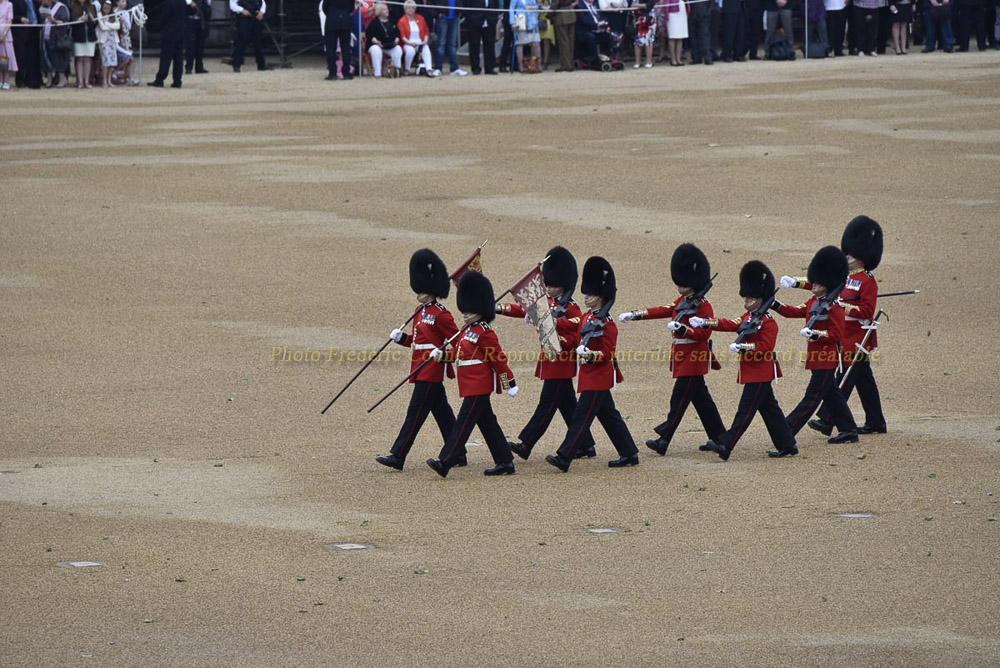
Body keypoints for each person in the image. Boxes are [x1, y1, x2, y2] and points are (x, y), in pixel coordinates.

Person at [618, 244, 726, 456]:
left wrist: (684, 330)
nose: (680, 286)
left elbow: (704, 334)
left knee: (679, 399)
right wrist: (635, 314)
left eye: (684, 283)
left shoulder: (703, 306)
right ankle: (720, 437)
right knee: (702, 401)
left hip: (694, 358)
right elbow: (662, 310)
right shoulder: (682, 301)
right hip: (683, 357)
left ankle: (664, 439)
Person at [689, 261, 798, 461]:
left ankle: (726, 444)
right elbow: (730, 324)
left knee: (745, 412)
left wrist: (744, 347)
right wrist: (706, 322)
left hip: (760, 372)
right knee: (770, 410)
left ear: (760, 298)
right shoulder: (748, 317)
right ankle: (787, 444)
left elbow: (765, 347)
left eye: (750, 297)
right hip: (752, 371)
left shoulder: (768, 322)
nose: (746, 300)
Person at [499, 247, 596, 461]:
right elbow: (523, 309)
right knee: (568, 406)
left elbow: (576, 333)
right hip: (550, 362)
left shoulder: (571, 308)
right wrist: (499, 308)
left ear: (564, 285)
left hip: (561, 363)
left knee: (546, 407)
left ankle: (526, 444)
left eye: (553, 285)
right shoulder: (548, 302)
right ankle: (586, 444)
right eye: (547, 284)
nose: (549, 288)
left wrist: (551, 324)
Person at [545, 257, 639, 473]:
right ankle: (629, 452)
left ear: (601, 296)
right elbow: (574, 339)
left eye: (590, 294)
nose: (586, 296)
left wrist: (589, 356)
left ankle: (564, 456)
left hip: (598, 376)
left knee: (580, 417)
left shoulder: (608, 324)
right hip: (588, 375)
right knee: (609, 416)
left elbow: (607, 354)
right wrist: (557, 338)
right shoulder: (587, 317)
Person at [426, 272, 519, 478]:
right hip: (468, 383)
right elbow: (459, 354)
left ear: (480, 310)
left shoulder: (485, 332)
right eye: (465, 310)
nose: (465, 314)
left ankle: (445, 461)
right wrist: (442, 356)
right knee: (488, 423)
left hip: (479, 384)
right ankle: (505, 461)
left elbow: (498, 359)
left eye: (470, 311)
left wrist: (509, 382)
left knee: (463, 424)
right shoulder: (466, 330)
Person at [376, 249, 461, 472]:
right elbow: (417, 343)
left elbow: (459, 342)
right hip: (419, 367)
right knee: (442, 412)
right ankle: (458, 451)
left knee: (414, 413)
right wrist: (401, 338)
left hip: (431, 369)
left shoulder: (442, 314)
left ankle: (398, 455)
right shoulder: (419, 311)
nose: (419, 293)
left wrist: (443, 355)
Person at [803, 216, 888, 437]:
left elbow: (866, 312)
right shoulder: (844, 277)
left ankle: (827, 418)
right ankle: (876, 421)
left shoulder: (868, 281)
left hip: (858, 338)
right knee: (864, 380)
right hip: (843, 335)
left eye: (851, 254)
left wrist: (842, 307)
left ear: (863, 257)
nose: (847, 256)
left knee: (845, 376)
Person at [773, 247, 859, 445]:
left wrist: (815, 334)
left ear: (827, 285)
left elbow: (836, 334)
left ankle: (787, 431)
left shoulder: (834, 307)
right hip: (816, 357)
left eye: (818, 283)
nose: (813, 285)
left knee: (811, 398)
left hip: (827, 358)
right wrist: (774, 304)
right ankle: (849, 430)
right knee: (832, 395)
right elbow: (793, 311)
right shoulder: (813, 301)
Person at [148, 0, 191, 87]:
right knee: (178, 58)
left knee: (166, 57)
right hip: (180, 32)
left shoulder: (169, 2)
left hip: (169, 32)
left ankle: (160, 79)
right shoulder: (183, 3)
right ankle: (177, 80)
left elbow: (164, 17)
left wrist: (163, 29)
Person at [397, 0, 435, 75]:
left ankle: (429, 69)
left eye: (412, 8)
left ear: (415, 9)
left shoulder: (420, 18)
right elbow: (402, 36)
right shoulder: (402, 21)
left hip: (420, 41)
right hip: (407, 42)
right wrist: (410, 43)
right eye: (408, 8)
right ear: (405, 10)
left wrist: (425, 40)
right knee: (410, 50)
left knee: (426, 49)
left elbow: (426, 31)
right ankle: (407, 69)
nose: (411, 10)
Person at [365, 2, 402, 76]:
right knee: (376, 50)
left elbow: (398, 32)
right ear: (380, 12)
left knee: (398, 49)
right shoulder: (374, 22)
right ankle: (377, 73)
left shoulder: (392, 21)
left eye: (387, 9)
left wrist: (397, 39)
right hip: (377, 45)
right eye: (385, 10)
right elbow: (369, 34)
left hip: (389, 45)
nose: (387, 11)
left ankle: (395, 71)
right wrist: (376, 41)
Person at [229, 0, 267, 72]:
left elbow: (262, 2)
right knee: (242, 41)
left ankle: (261, 64)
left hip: (256, 17)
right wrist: (242, 10)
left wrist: (262, 12)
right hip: (244, 18)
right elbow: (232, 5)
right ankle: (237, 65)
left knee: (258, 41)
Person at [463, 0, 498, 75]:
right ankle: (475, 68)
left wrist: (494, 19)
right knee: (474, 45)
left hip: (489, 21)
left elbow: (496, 6)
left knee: (490, 45)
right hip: (474, 22)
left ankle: (489, 68)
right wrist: (470, 19)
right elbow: (466, 6)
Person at [12, 0, 42, 88]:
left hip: (33, 32)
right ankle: (20, 79)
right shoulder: (14, 2)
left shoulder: (33, 2)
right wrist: (20, 19)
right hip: (20, 33)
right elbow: (11, 15)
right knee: (20, 57)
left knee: (32, 57)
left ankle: (31, 79)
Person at [322, 0, 354, 80]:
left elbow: (324, 7)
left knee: (330, 49)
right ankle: (346, 73)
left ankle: (332, 73)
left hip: (332, 20)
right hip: (345, 19)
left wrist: (331, 14)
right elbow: (351, 7)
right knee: (346, 48)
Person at [42, 0, 71, 87]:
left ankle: (62, 78)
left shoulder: (61, 7)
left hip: (57, 38)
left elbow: (65, 21)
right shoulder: (47, 7)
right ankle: (49, 79)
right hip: (46, 37)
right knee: (47, 59)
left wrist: (55, 21)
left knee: (58, 58)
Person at [433, 0, 465, 75]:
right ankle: (438, 68)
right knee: (441, 44)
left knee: (453, 44)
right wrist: (436, 14)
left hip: (455, 17)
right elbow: (430, 2)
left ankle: (454, 69)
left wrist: (460, 10)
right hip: (442, 18)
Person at [69, 0, 96, 87]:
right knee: (80, 58)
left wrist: (91, 18)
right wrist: (79, 19)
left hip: (89, 36)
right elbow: (71, 21)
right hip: (78, 36)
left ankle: (86, 81)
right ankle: (80, 81)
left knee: (88, 58)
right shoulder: (72, 7)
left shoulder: (92, 7)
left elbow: (95, 23)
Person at [510, 0, 541, 72]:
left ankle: (537, 64)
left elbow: (537, 6)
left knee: (536, 43)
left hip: (532, 21)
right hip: (520, 21)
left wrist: (532, 7)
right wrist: (512, 22)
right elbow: (511, 8)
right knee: (520, 44)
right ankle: (521, 66)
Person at [95, 0, 118, 87]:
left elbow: (118, 26)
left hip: (112, 41)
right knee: (105, 61)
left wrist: (107, 23)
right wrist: (111, 25)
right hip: (104, 41)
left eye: (108, 7)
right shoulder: (99, 14)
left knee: (111, 61)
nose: (107, 9)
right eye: (105, 7)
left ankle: (109, 81)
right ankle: (104, 81)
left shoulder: (113, 15)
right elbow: (102, 27)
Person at [185, 0, 210, 73]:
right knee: (190, 45)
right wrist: (190, 2)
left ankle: (199, 66)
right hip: (191, 20)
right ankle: (189, 67)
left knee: (201, 44)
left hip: (202, 20)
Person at [631, 0, 658, 66]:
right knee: (637, 40)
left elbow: (651, 4)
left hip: (649, 17)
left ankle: (648, 61)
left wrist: (637, 5)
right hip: (638, 17)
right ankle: (637, 62)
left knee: (649, 39)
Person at [550, 0, 575, 70]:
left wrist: (548, 14)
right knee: (570, 41)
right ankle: (570, 64)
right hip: (571, 13)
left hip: (561, 15)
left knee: (563, 42)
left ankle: (566, 65)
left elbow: (555, 4)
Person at [687, 0, 713, 65]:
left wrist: (708, 11)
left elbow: (711, 2)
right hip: (692, 14)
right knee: (693, 36)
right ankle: (696, 57)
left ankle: (707, 57)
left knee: (704, 36)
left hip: (704, 13)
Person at [664, 0, 688, 64]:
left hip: (682, 10)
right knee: (672, 36)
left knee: (680, 36)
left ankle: (678, 58)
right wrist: (666, 14)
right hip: (672, 11)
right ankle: (673, 59)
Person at [0, 0, 16, 90]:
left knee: (6, 58)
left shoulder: (9, 4)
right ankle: (0, 81)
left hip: (6, 36)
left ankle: (6, 81)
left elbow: (9, 20)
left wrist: (4, 34)